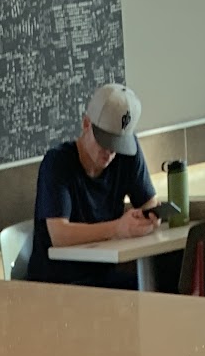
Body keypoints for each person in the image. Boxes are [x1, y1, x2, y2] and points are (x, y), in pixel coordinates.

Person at [27, 84, 159, 290]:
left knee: (162, 287)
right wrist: (118, 228)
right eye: (105, 141)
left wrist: (146, 220)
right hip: (58, 283)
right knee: (143, 295)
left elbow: (149, 203)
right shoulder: (57, 163)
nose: (110, 152)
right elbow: (59, 234)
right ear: (86, 124)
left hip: (104, 276)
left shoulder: (127, 154)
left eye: (118, 144)